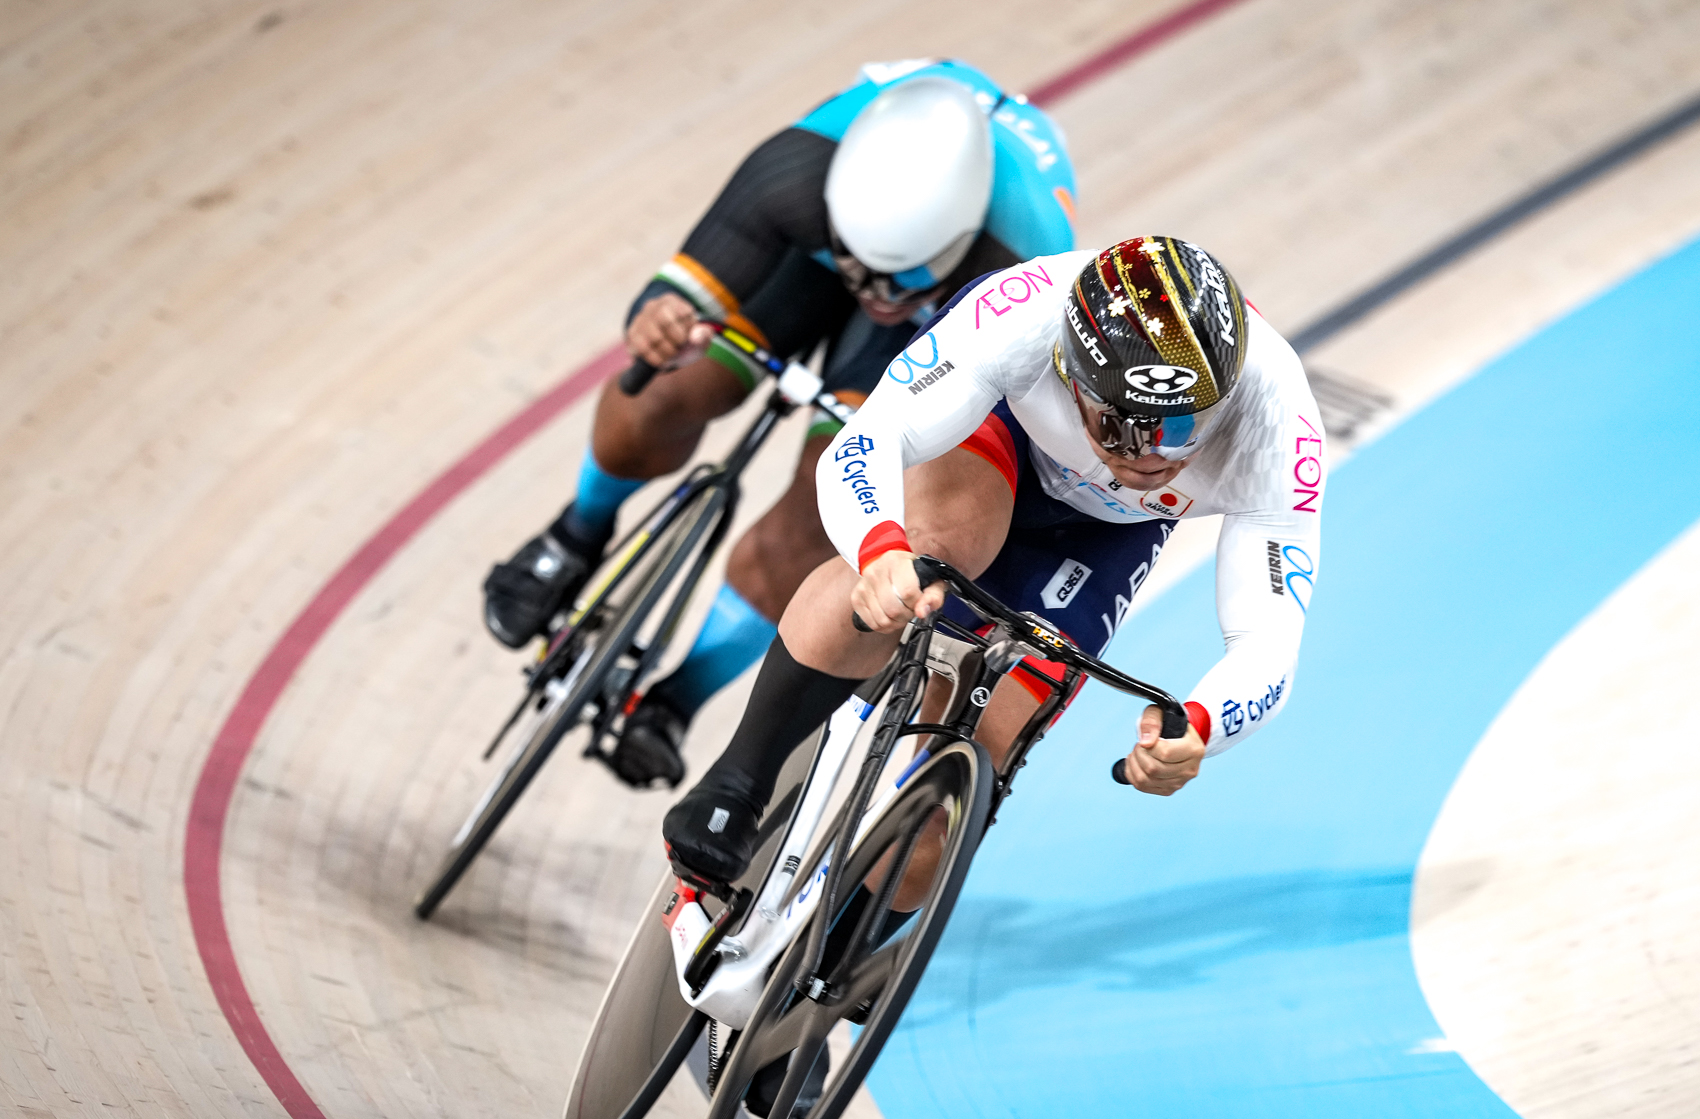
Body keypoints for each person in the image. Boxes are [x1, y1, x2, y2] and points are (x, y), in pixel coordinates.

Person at [661, 236, 1324, 898]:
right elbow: (870, 438)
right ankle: (739, 780)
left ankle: (850, 954)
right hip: (998, 438)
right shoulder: (1022, 314)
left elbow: (1269, 642)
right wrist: (879, 547)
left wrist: (1202, 728)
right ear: (1072, 374)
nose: (1152, 457)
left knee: (987, 744)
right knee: (935, 548)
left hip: (1111, 535)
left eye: (1185, 428)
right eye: (1120, 427)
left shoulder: (1276, 416)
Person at [481, 60, 1078, 791]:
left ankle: (674, 700)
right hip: (809, 255)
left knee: (821, 512)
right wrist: (664, 318)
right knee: (666, 391)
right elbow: (676, 291)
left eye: (896, 280)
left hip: (941, 320)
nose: (873, 294)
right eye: (861, 270)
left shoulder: (1020, 260)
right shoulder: (793, 172)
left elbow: (970, 414)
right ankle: (574, 534)